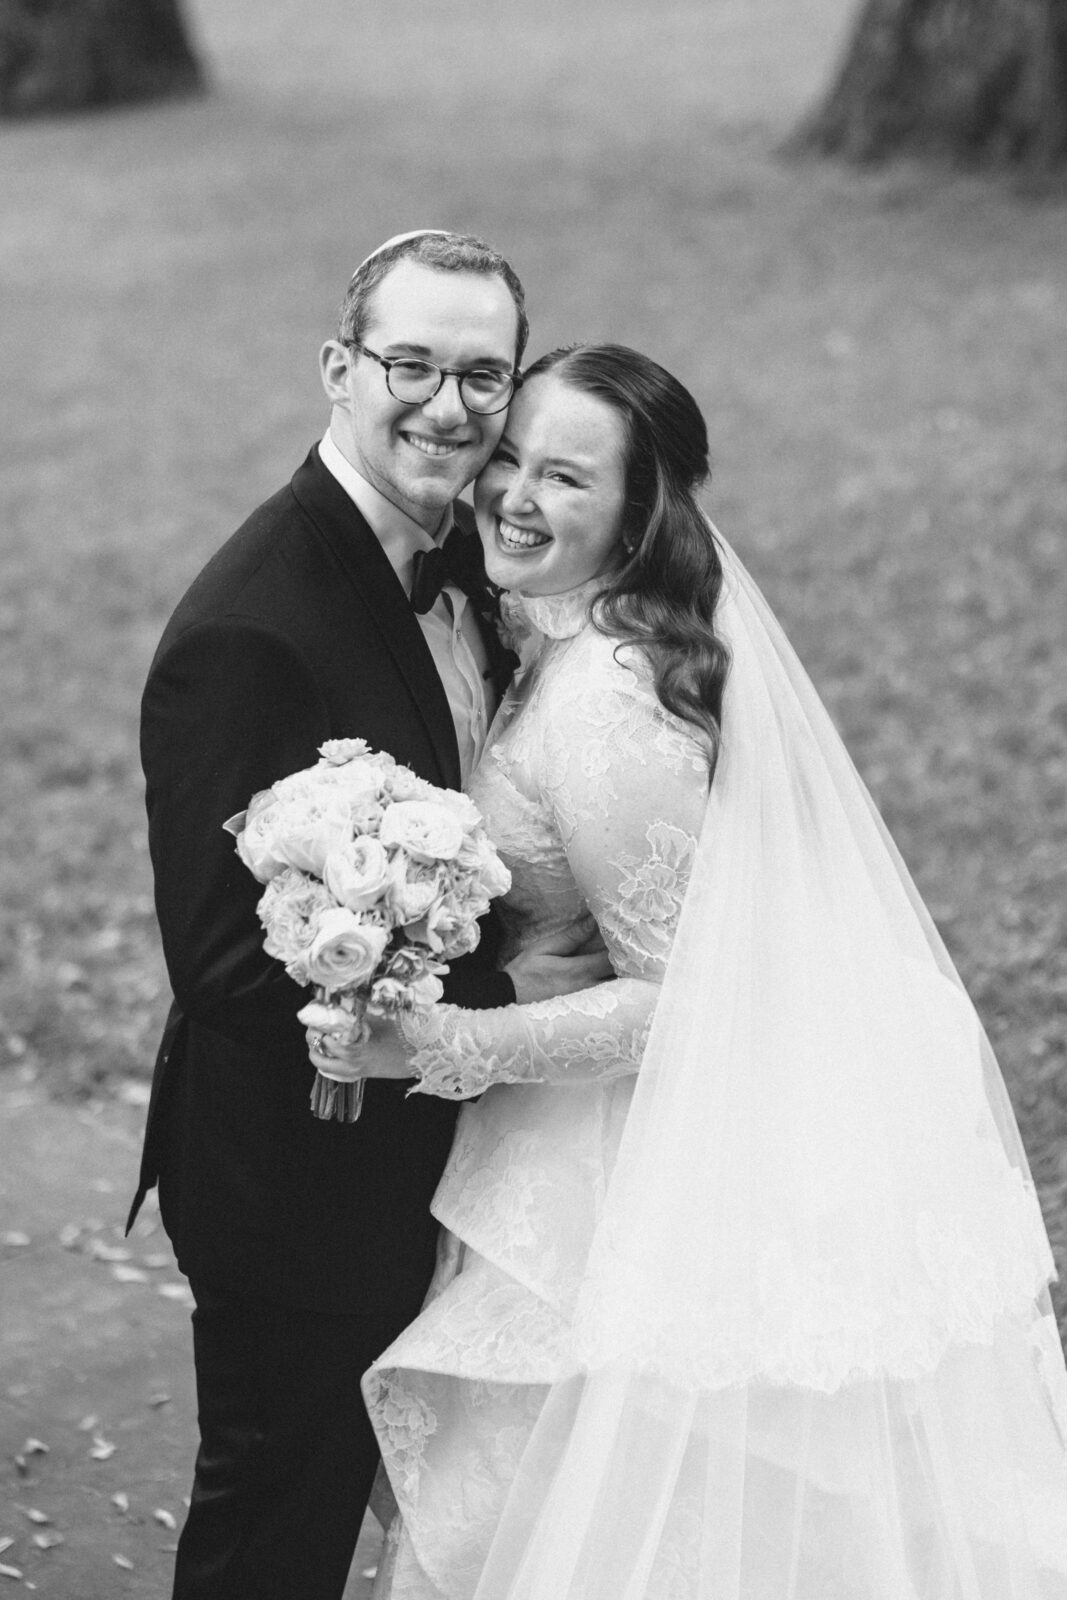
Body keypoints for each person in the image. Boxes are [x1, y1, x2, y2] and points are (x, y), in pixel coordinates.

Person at [331, 343, 1067, 1598]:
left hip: (647, 1163)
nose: (512, 492)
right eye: (510, 456)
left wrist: (445, 1046)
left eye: (563, 477)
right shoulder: (562, 638)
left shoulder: (607, 695)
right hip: (596, 1131)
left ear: (634, 514)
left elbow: (683, 997)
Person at [125, 232, 612, 1600]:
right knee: (278, 1524)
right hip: (302, 1180)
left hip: (446, 1151)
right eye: (410, 363)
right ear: (338, 371)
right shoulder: (251, 629)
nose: (448, 407)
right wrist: (520, 1011)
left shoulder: (477, 551)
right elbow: (231, 972)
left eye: (481, 374)